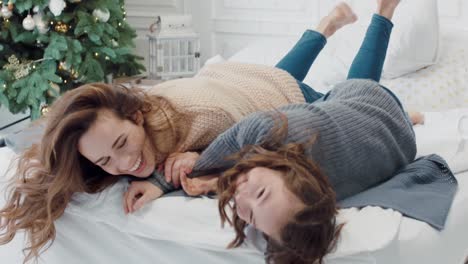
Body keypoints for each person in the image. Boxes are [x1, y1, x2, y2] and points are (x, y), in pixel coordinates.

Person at [135, 0, 456, 263]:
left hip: (392, 137)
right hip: (365, 105)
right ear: (297, 174)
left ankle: (336, 32)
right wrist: (161, 181)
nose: (240, 194)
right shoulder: (279, 130)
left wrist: (216, 182)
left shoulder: (307, 198)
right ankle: (383, 13)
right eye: (259, 193)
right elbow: (229, 143)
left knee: (282, 85)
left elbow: (258, 188)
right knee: (320, 84)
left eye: (245, 211)